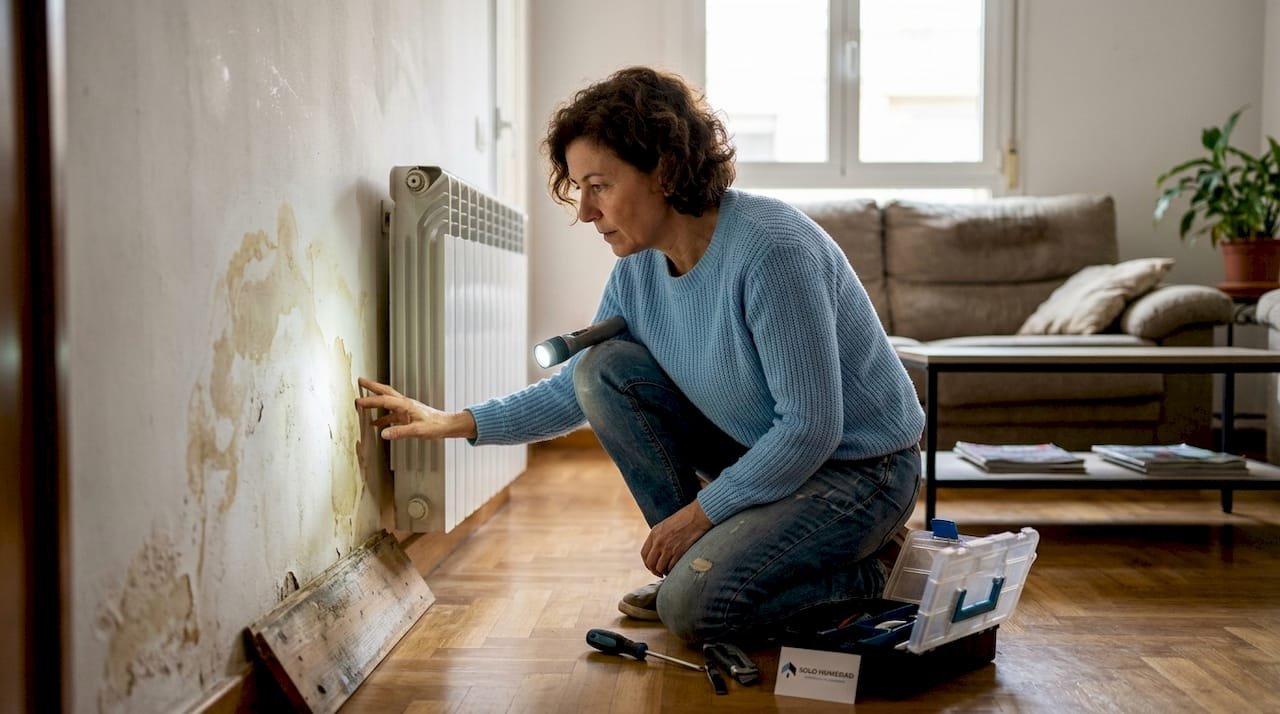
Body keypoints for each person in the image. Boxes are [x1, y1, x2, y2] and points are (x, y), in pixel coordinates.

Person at [356, 66, 924, 644]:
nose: (584, 211)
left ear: (666, 170)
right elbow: (576, 386)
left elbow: (810, 428)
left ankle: (873, 570)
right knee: (605, 368)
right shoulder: (636, 270)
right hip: (770, 451)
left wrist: (698, 518)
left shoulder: (773, 250)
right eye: (579, 188)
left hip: (863, 472)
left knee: (696, 614)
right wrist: (453, 422)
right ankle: (700, 570)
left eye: (599, 185)